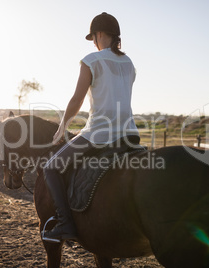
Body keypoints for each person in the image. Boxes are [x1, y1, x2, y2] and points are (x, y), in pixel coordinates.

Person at [42, 12, 139, 243]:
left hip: (99, 134)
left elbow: (77, 100)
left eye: (93, 37)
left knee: (51, 168)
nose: (94, 42)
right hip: (130, 135)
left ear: (99, 34)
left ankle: (66, 224)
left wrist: (61, 127)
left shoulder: (91, 60)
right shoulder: (129, 63)